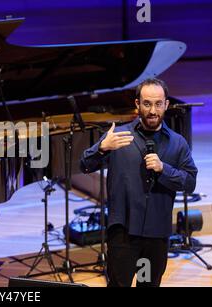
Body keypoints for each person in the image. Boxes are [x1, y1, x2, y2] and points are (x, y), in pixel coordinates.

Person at [80, 78, 198, 287]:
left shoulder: (177, 143)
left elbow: (189, 183)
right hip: (123, 234)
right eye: (147, 103)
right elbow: (85, 165)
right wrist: (102, 148)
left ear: (166, 105)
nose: (153, 110)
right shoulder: (118, 136)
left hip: (156, 235)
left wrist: (164, 169)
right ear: (137, 104)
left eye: (158, 104)